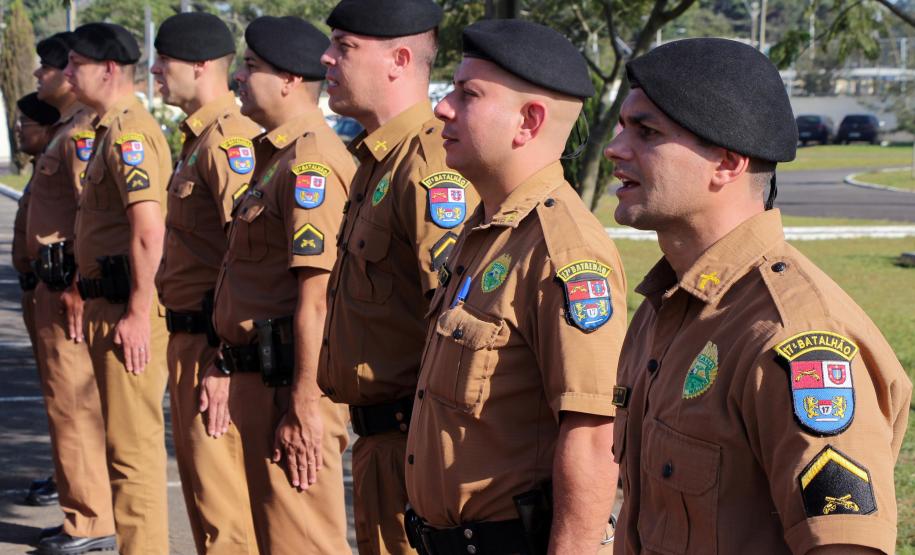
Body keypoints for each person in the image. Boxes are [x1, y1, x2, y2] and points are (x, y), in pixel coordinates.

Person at [604, 38, 912, 554]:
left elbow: (844, 546)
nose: (615, 147)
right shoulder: (667, 305)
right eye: (621, 127)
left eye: (647, 132)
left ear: (726, 162)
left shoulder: (794, 336)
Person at [403, 19, 626, 555]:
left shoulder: (565, 252)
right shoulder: (486, 232)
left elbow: (594, 439)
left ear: (528, 121)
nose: (443, 108)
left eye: (468, 94)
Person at [318, 1, 479, 551]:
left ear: (399, 59)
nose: (327, 58)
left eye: (344, 47)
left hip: (415, 446)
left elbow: (455, 316)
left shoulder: (428, 164)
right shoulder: (378, 161)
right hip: (381, 444)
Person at [211, 16, 353, 554]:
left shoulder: (309, 160)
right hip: (264, 382)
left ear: (291, 80)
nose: (238, 80)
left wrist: (304, 402)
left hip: (288, 388)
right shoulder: (277, 156)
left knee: (303, 543)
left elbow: (316, 298)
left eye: (250, 68)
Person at [151, 13, 260, 554]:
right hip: (188, 340)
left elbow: (246, 258)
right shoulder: (200, 139)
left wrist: (224, 358)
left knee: (225, 513)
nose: (154, 71)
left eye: (163, 61)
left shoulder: (229, 144)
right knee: (202, 503)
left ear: (199, 65)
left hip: (213, 350)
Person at [64, 22, 172, 555]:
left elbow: (149, 231)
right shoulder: (109, 128)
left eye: (75, 63)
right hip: (110, 302)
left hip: (129, 309)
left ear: (108, 69)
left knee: (133, 458)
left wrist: (136, 310)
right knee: (121, 452)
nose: (66, 72)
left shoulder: (130, 132)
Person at [26, 33, 119, 555]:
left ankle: (89, 520)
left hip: (69, 291)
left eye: (48, 68)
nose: (39, 76)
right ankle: (79, 510)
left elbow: (91, 214)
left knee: (76, 407)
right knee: (65, 407)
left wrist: (80, 286)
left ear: (69, 74)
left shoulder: (83, 134)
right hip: (52, 286)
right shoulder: (66, 130)